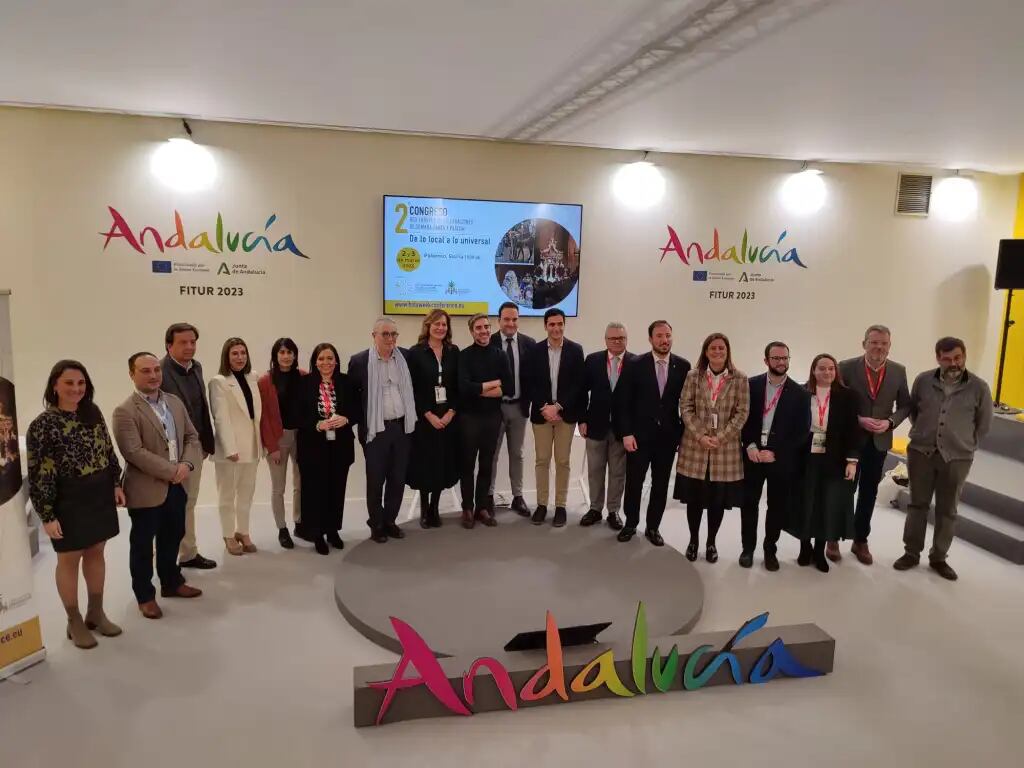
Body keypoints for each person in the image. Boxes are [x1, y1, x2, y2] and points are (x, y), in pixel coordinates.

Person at [26, 360, 125, 649]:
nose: (76, 389)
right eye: (69, 383)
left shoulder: (92, 413)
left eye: (81, 383)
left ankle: (96, 612)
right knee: (69, 560)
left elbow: (107, 450)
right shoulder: (43, 425)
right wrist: (46, 513)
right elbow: (39, 471)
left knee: (96, 552)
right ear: (55, 385)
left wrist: (115, 483)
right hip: (67, 499)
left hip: (98, 495)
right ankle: (74, 620)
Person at [113, 353, 203, 619]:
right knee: (142, 545)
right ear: (132, 374)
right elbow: (134, 452)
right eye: (145, 371)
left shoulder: (174, 402)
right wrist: (172, 471)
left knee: (174, 534)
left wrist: (186, 465)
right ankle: (145, 595)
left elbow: (191, 437)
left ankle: (171, 582)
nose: (153, 375)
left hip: (177, 483)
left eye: (156, 370)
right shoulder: (125, 411)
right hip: (146, 489)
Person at [894, 337, 992, 581]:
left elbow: (983, 424)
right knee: (917, 504)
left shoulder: (979, 387)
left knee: (948, 510)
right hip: (921, 453)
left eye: (957, 357)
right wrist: (926, 435)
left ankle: (939, 558)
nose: (953, 363)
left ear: (964, 356)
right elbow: (914, 412)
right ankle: (911, 553)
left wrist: (963, 444)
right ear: (938, 358)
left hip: (957, 457)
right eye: (947, 359)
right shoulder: (923, 380)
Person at [839, 325, 911, 565]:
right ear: (864, 344)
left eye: (883, 343)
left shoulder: (899, 371)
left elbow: (905, 406)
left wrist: (890, 423)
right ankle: (833, 536)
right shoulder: (846, 367)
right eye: (874, 342)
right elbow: (835, 401)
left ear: (889, 346)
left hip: (878, 442)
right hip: (849, 439)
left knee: (868, 492)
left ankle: (860, 540)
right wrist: (857, 419)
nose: (878, 347)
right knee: (844, 490)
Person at [674, 333, 750, 560]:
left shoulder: (740, 379)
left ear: (728, 352)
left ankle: (711, 543)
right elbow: (685, 407)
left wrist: (721, 437)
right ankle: (693, 540)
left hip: (724, 450)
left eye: (721, 349)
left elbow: (742, 412)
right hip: (695, 447)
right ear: (706, 352)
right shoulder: (693, 376)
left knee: (717, 501)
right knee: (695, 499)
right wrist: (700, 435)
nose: (717, 352)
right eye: (713, 348)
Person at [614, 320, 690, 546]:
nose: (664, 340)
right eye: (659, 336)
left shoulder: (684, 367)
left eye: (667, 335)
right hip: (638, 437)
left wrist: (682, 435)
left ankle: (653, 527)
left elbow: (689, 405)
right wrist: (626, 433)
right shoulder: (635, 364)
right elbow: (622, 402)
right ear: (650, 339)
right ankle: (630, 523)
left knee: (660, 484)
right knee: (634, 482)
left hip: (667, 439)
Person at [785, 354, 861, 573]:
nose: (827, 373)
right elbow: (791, 426)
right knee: (804, 502)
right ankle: (804, 547)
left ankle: (819, 550)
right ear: (813, 370)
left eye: (831, 369)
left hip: (834, 459)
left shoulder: (847, 397)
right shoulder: (801, 393)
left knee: (825, 505)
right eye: (822, 368)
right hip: (805, 458)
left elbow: (852, 432)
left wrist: (852, 460)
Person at [739, 342, 810, 571]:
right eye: (776, 358)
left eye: (785, 358)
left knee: (776, 506)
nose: (781, 362)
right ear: (766, 360)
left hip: (780, 459)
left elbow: (801, 430)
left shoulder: (800, 393)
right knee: (749, 504)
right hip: (753, 456)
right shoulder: (750, 386)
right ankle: (747, 549)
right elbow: (741, 418)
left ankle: (770, 550)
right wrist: (750, 446)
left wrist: (776, 452)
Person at [349, 318, 417, 543]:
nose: (390, 339)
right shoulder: (359, 361)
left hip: (401, 428)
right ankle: (376, 524)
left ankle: (390, 521)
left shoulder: (405, 357)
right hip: (376, 432)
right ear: (374, 336)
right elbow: (353, 400)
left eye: (394, 334)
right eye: (385, 334)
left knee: (397, 479)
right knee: (375, 480)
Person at [160, 322, 217, 571]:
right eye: (183, 342)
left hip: (195, 448)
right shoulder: (160, 371)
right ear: (169, 345)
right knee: (166, 505)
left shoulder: (197, 368)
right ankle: (164, 555)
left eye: (193, 341)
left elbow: (201, 407)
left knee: (188, 502)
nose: (189, 346)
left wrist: (206, 443)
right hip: (170, 453)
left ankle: (188, 553)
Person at [524, 308, 585, 527]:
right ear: (545, 326)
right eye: (552, 324)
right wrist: (545, 407)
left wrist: (558, 407)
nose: (556, 328)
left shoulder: (576, 350)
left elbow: (579, 385)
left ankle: (560, 505)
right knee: (541, 460)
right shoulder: (534, 350)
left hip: (565, 416)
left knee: (562, 461)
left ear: (564, 325)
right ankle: (541, 504)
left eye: (560, 324)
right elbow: (529, 382)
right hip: (541, 415)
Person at [296, 343, 356, 555]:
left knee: (336, 489)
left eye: (330, 358)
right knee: (314, 491)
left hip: (340, 446)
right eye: (321, 358)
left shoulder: (346, 381)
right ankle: (317, 533)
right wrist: (317, 424)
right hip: (313, 446)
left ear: (336, 361)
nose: (326, 363)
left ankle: (333, 530)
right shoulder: (304, 383)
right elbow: (298, 415)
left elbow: (357, 409)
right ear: (315, 361)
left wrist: (346, 418)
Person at [579, 323, 636, 530]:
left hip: (622, 430)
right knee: (595, 470)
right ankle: (595, 509)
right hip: (595, 426)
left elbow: (638, 400)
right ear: (605, 340)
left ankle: (613, 511)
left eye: (621, 338)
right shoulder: (593, 360)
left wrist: (632, 429)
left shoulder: (635, 363)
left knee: (618, 472)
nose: (617, 342)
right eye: (613, 339)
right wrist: (582, 419)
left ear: (626, 339)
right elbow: (581, 392)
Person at [458, 313, 513, 528]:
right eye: (479, 328)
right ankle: (467, 508)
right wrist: (492, 384)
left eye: (486, 327)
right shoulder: (464, 356)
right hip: (469, 418)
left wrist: (479, 388)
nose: (483, 331)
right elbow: (464, 388)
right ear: (472, 332)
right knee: (467, 465)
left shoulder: (500, 355)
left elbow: (509, 387)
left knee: (487, 464)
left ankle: (482, 507)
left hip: (492, 418)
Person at [407, 309, 460, 528]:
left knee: (441, 462)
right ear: (428, 326)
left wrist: (450, 413)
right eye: (436, 324)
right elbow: (413, 389)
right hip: (425, 418)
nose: (440, 328)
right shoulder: (416, 352)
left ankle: (435, 508)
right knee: (424, 463)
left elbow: (458, 385)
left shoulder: (453, 351)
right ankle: (424, 508)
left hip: (447, 416)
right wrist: (428, 414)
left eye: (444, 324)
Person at [209, 338, 262, 556]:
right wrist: (230, 448)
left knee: (247, 493)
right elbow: (220, 418)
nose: (240, 357)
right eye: (234, 354)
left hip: (252, 445)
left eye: (243, 353)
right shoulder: (219, 381)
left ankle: (243, 531)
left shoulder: (253, 377)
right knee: (227, 494)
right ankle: (228, 534)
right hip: (230, 449)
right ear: (226, 357)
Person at [257, 338, 305, 549]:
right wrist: (272, 446)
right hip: (278, 438)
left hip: (301, 437)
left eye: (290, 352)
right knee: (279, 487)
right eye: (282, 352)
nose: (286, 356)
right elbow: (263, 417)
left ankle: (299, 522)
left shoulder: (304, 377)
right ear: (276, 355)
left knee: (301, 483)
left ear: (295, 355)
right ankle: (282, 528)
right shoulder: (266, 381)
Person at [489, 302, 535, 516]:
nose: (510, 323)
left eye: (514, 319)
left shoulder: (529, 344)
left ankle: (518, 496)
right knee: (492, 454)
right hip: (495, 408)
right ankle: (487, 496)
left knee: (517, 453)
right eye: (506, 319)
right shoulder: (489, 342)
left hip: (519, 407)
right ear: (499, 321)